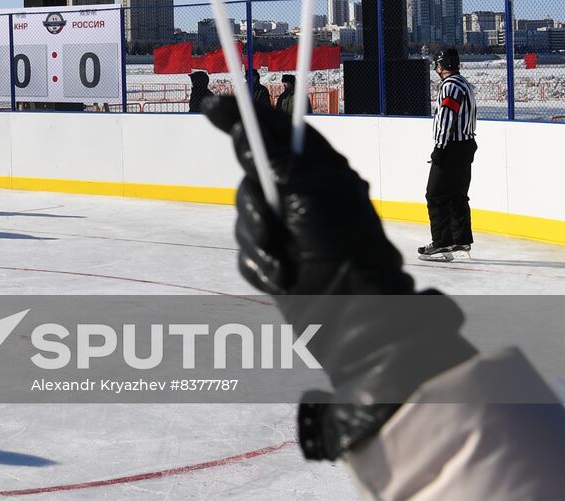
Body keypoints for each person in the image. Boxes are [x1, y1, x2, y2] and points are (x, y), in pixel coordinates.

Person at [201, 94, 565, 498]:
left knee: (441, 197)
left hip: (451, 153)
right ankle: (452, 240)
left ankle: (450, 240)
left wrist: (380, 349)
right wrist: (385, 346)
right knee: (448, 197)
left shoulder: (454, 91)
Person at [419, 48, 477, 261]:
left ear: (442, 65)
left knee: (435, 195)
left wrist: (440, 148)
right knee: (456, 194)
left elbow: (446, 118)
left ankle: (442, 242)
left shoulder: (450, 86)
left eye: (437, 64)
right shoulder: (463, 83)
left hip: (451, 147)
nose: (436, 68)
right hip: (465, 146)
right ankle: (460, 239)